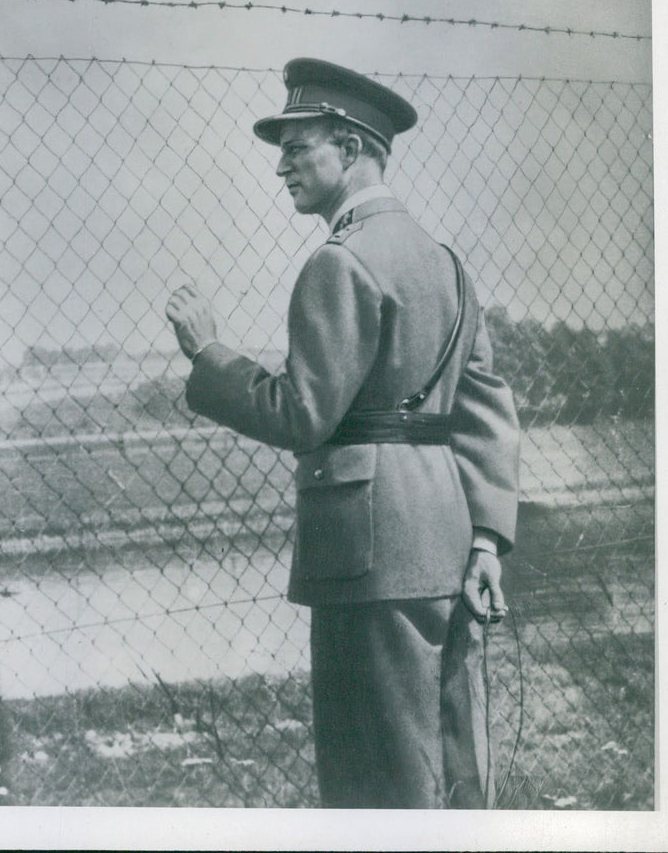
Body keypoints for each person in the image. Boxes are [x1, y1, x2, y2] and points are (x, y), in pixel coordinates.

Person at [166, 58, 519, 809]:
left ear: (353, 146)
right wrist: (488, 539)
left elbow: (302, 413)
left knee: (380, 780)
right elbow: (485, 404)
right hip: (448, 538)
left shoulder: (339, 262)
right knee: (457, 767)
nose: (281, 166)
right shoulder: (446, 263)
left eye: (300, 146)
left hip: (365, 555)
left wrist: (207, 355)